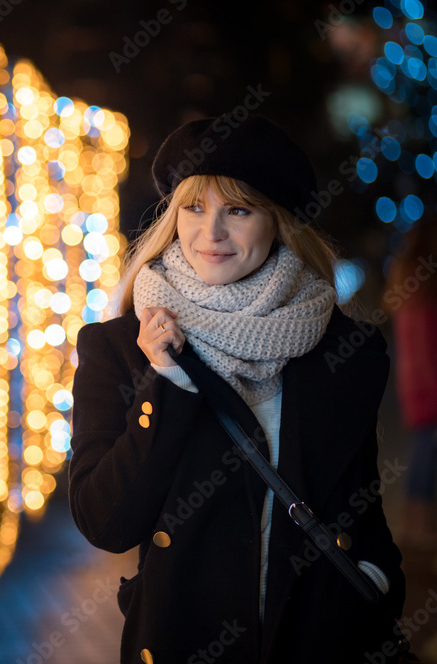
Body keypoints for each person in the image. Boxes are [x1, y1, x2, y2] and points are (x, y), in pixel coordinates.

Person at [68, 115, 408, 663]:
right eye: (194, 208)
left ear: (278, 221)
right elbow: (105, 521)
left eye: (239, 210)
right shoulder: (119, 349)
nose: (212, 234)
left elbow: (362, 513)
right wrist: (170, 382)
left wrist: (374, 584)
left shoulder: (342, 351)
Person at [385, 216, 437, 549]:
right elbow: (424, 349)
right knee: (425, 459)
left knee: (425, 457)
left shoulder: (408, 279)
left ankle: (416, 532)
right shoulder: (422, 285)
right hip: (428, 389)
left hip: (417, 387)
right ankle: (415, 534)